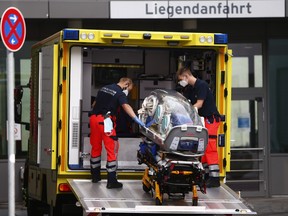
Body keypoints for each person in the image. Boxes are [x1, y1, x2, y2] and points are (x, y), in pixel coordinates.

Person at [89, 77, 145, 189]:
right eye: (129, 89)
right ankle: (112, 181)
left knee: (95, 147)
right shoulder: (120, 93)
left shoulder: (104, 88)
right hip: (105, 121)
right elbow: (126, 106)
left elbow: (94, 105)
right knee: (112, 149)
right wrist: (136, 119)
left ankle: (95, 176)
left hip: (94, 119)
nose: (128, 92)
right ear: (127, 84)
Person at [176, 67, 221, 188]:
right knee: (203, 147)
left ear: (186, 76)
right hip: (202, 120)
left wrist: (187, 113)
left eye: (181, 79)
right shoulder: (191, 88)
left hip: (210, 119)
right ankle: (207, 175)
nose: (181, 82)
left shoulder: (201, 85)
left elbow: (199, 104)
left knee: (210, 146)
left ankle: (214, 178)